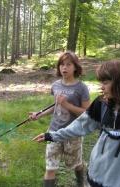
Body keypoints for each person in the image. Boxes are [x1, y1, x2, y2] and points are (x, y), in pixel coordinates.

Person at [33, 59, 120, 187]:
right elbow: (80, 125)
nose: (102, 87)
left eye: (105, 82)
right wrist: (52, 135)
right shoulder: (101, 104)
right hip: (96, 178)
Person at [29, 51, 91, 187]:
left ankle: (81, 181)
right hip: (53, 131)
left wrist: (67, 105)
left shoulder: (81, 88)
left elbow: (87, 113)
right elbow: (55, 106)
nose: (64, 68)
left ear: (75, 67)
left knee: (75, 164)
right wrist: (39, 114)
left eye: (68, 64)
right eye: (62, 64)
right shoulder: (56, 85)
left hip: (73, 133)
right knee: (50, 167)